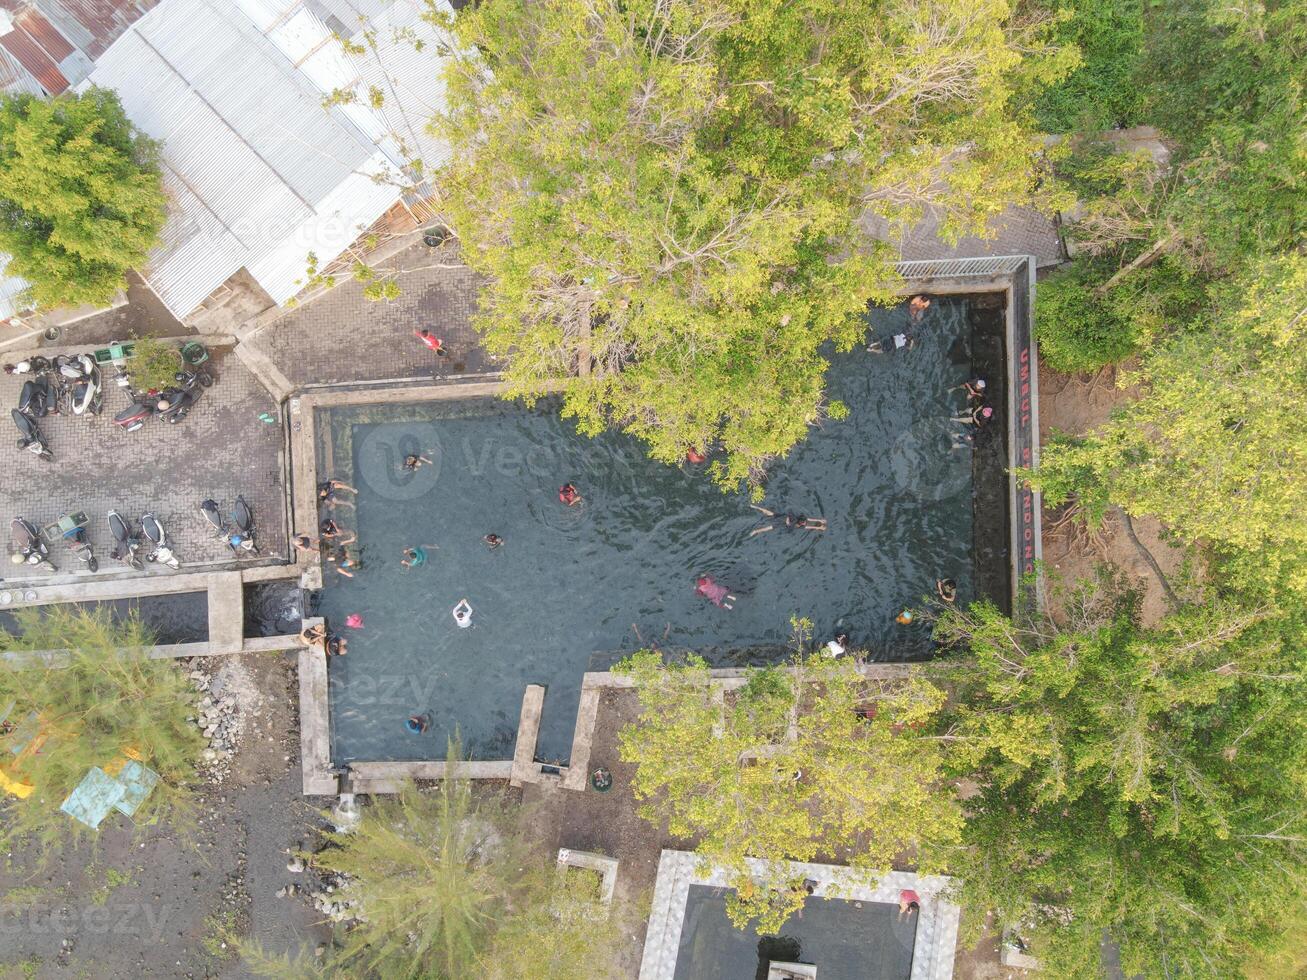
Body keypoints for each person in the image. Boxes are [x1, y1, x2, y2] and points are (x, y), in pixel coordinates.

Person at [749, 505, 828, 536]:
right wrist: (788, 521)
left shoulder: (801, 520)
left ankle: (755, 531)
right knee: (769, 515)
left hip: (781, 522)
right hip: (782, 519)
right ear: (800, 522)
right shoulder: (797, 522)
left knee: (768, 525)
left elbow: (809, 522)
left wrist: (820, 521)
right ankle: (756, 507)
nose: (805, 523)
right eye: (803, 522)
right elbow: (808, 526)